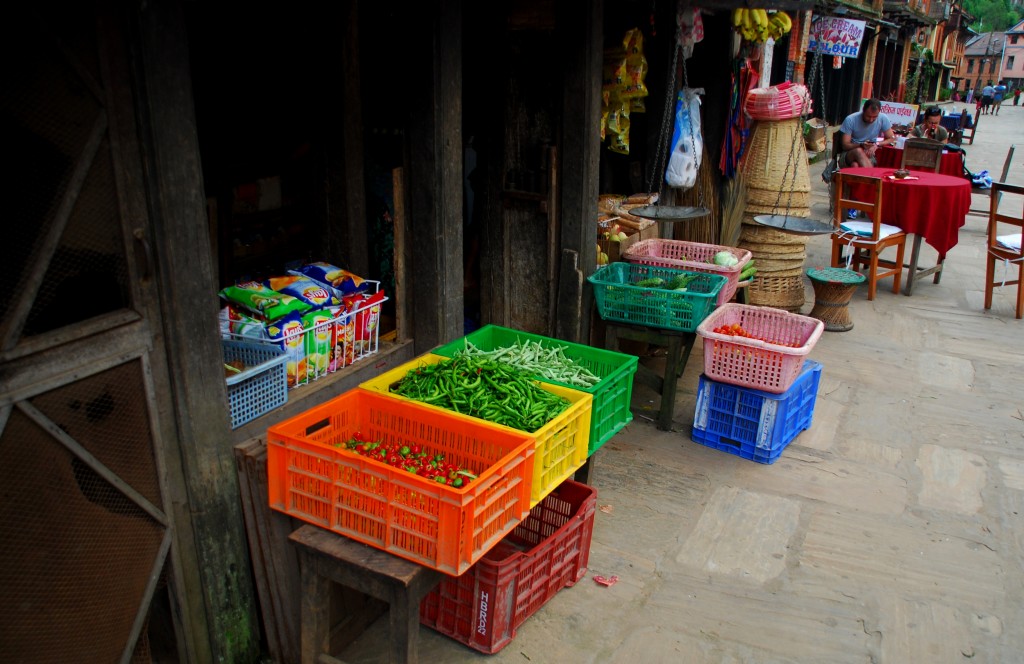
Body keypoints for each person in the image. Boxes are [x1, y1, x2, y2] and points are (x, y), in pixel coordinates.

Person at [838, 98, 896, 169]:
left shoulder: (882, 118)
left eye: (874, 117)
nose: (871, 120)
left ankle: (866, 177)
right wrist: (861, 145)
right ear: (863, 110)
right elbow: (845, 145)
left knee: (855, 165)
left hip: (869, 154)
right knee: (858, 151)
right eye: (868, 116)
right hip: (849, 154)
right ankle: (872, 177)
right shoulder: (851, 119)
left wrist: (877, 144)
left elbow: (892, 138)